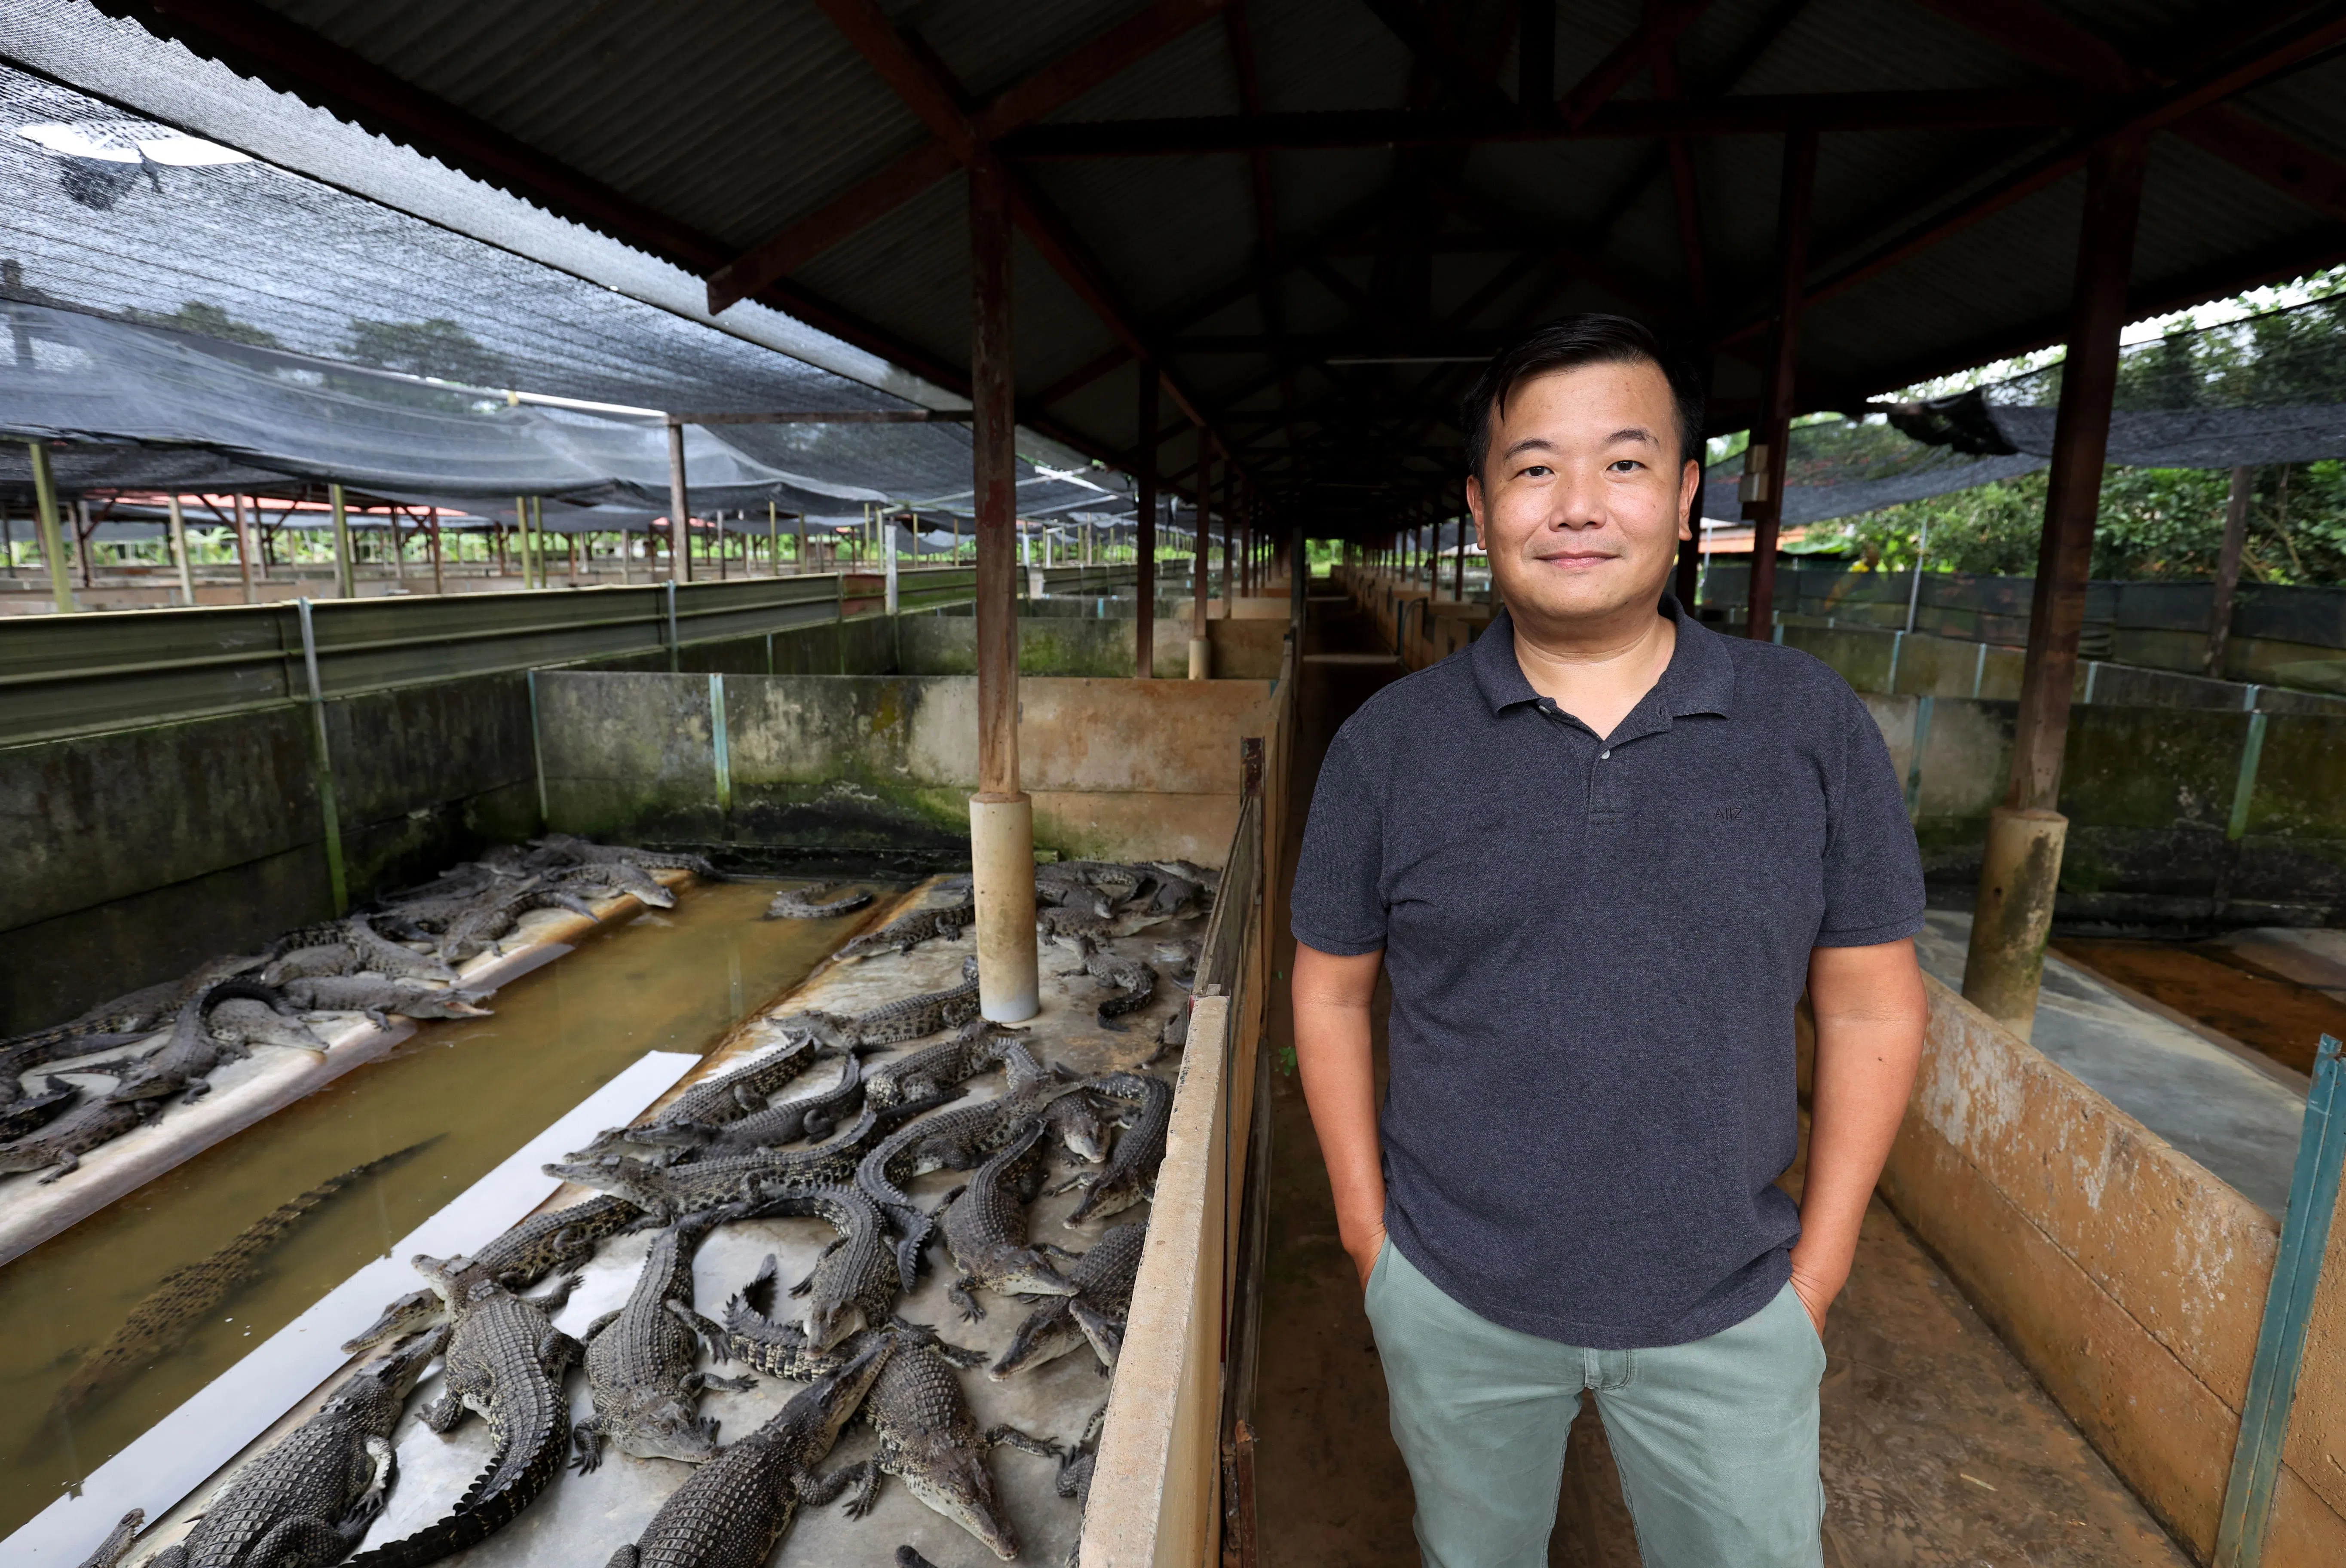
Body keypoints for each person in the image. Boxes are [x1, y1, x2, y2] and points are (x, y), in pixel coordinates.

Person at [1287, 314, 1929, 1568]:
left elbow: (1870, 1003)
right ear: (1481, 507)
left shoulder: (1804, 725)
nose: (1577, 505)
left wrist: (1818, 1276)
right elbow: (1328, 995)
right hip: (1454, 1293)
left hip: (1734, 1304)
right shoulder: (1391, 747)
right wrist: (1374, 1247)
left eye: (1624, 464)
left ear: (1686, 497)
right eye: (1535, 469)